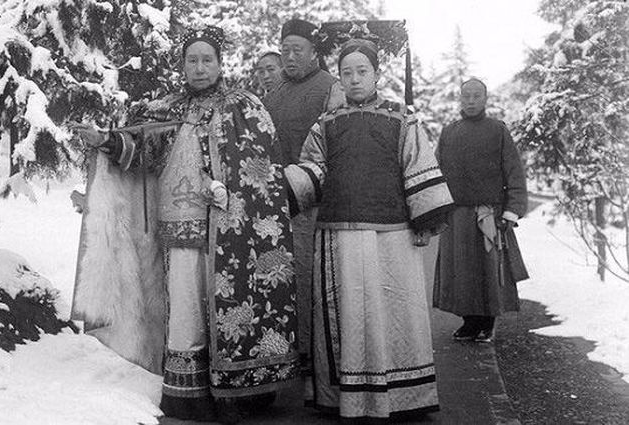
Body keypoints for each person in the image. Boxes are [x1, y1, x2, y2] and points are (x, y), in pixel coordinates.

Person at [71, 25, 299, 424]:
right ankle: (190, 398)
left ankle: (238, 396)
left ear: (220, 63)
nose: (199, 68)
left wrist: (230, 192)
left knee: (232, 308)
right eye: (192, 60)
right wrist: (105, 140)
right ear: (182, 65)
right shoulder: (166, 109)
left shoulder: (245, 107)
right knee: (186, 313)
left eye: (207, 60)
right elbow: (140, 148)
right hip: (177, 228)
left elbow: (263, 170)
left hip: (230, 231)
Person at [284, 38, 454, 423]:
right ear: (339, 78)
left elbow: (417, 163)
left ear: (377, 74)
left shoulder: (401, 118)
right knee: (347, 313)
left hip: (393, 237)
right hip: (338, 235)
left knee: (393, 311)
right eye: (347, 73)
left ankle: (403, 397)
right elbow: (314, 169)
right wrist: (281, 186)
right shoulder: (325, 124)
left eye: (362, 71)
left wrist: (424, 220)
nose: (355, 79)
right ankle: (345, 397)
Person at [263, 18, 344, 388]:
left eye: (298, 50)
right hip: (275, 202)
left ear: (314, 53)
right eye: (286, 50)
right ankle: (286, 349)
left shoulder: (330, 87)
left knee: (311, 275)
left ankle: (314, 352)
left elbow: (338, 145)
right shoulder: (275, 92)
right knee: (280, 274)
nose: (290, 57)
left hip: (315, 202)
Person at [433, 77, 529, 343]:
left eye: (476, 96)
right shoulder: (449, 133)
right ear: (460, 99)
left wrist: (511, 211)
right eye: (466, 96)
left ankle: (487, 323)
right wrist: (435, 208)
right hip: (456, 215)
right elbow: (436, 173)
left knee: (488, 271)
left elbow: (514, 172)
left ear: (485, 99)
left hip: (488, 215)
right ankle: (469, 322)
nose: (471, 101)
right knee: (461, 271)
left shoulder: (498, 131)